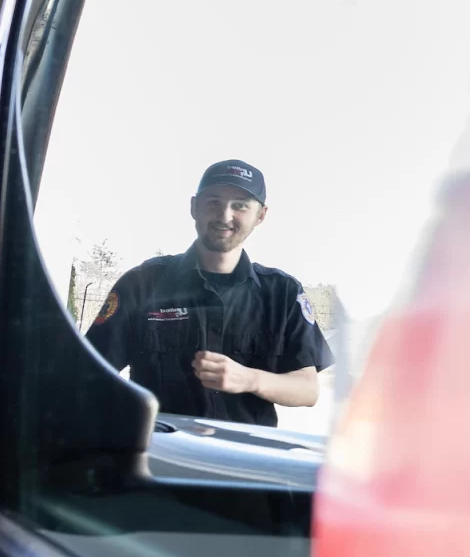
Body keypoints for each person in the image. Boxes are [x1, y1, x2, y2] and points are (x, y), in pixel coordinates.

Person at [86, 160, 332, 427]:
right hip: (159, 457)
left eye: (240, 205)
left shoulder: (282, 293)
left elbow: (308, 390)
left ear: (260, 215)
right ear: (194, 207)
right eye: (213, 202)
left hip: (244, 460)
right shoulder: (141, 285)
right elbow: (90, 375)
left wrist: (250, 379)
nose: (224, 215)